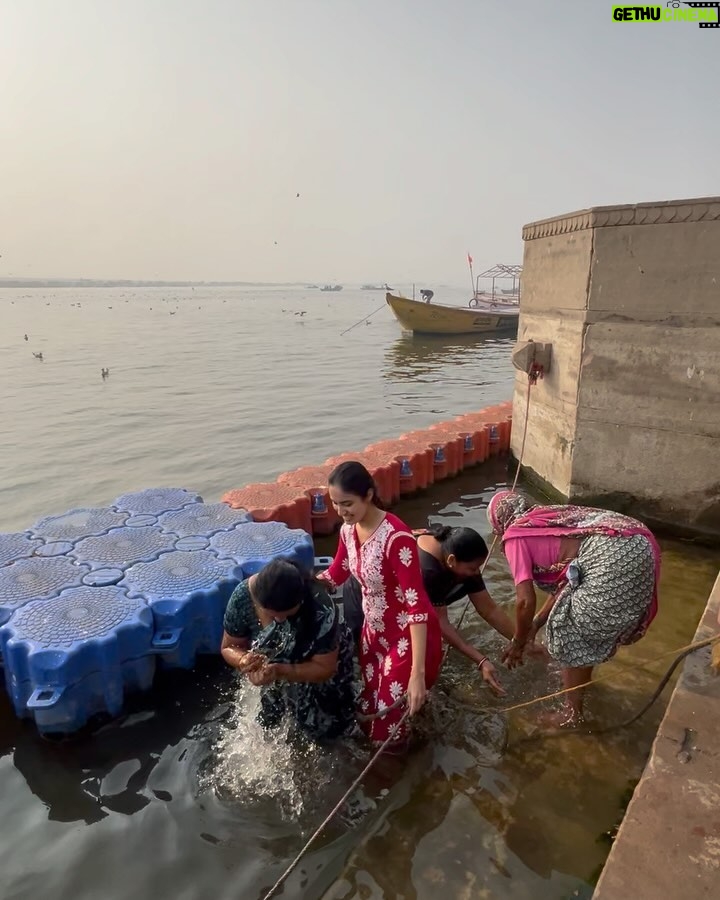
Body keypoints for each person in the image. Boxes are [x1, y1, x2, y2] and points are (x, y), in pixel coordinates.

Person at [487, 490, 662, 727]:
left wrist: (517, 644)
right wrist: (536, 624)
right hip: (638, 543)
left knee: (569, 629)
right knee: (583, 627)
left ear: (499, 524)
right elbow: (568, 582)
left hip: (612, 555)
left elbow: (524, 601)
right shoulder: (548, 519)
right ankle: (576, 687)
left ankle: (571, 716)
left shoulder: (516, 535)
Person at [318, 461, 442, 751]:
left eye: (347, 504)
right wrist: (303, 583)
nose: (341, 512)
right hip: (373, 634)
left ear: (369, 495)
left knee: (385, 733)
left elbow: (418, 605)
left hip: (405, 638)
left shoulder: (396, 538)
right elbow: (338, 572)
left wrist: (417, 673)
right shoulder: (348, 531)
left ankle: (396, 779)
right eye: (335, 505)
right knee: (368, 709)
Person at [343, 524, 513, 695]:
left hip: (404, 596)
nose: (476, 573)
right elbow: (440, 622)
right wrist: (481, 660)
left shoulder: (449, 547)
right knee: (377, 660)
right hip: (367, 599)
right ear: (451, 561)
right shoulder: (427, 570)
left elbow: (488, 609)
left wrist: (521, 640)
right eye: (472, 568)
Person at [220, 558, 355, 742]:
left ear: (300, 601)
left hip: (320, 661)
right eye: (271, 613)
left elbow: (325, 668)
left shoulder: (321, 608)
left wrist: (279, 671)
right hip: (276, 664)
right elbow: (230, 646)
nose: (279, 619)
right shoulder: (242, 598)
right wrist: (243, 659)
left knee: (329, 728)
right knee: (269, 726)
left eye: (286, 613)